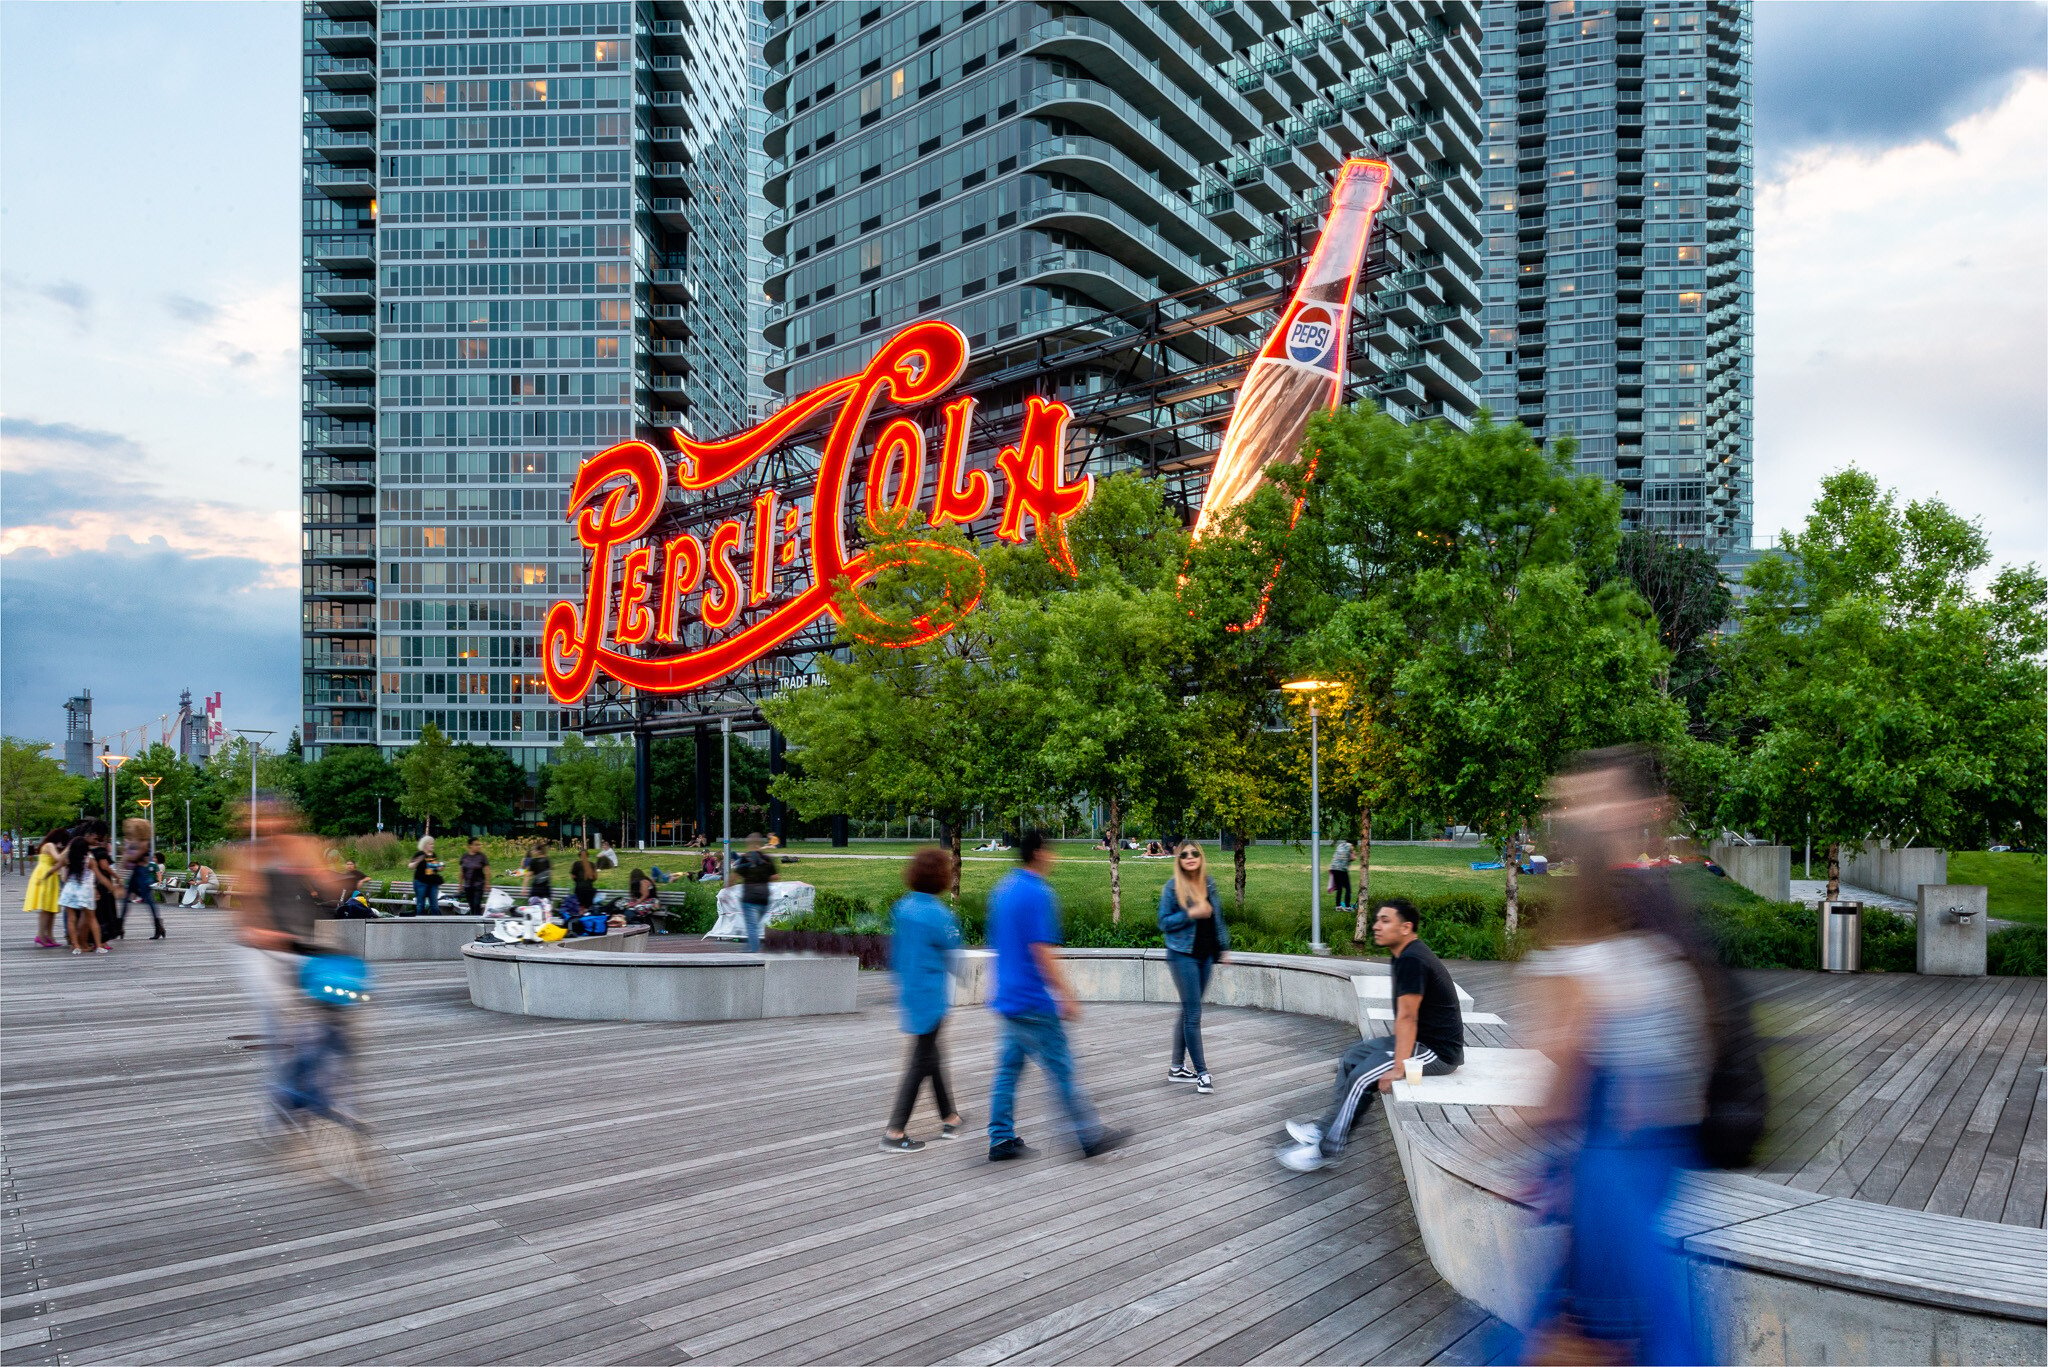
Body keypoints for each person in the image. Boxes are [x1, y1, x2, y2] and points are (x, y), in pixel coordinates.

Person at [1512, 747, 1719, 1365]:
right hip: (1626, 1152)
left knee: (1618, 1329)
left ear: (1642, 808)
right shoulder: (1631, 898)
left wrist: (1521, 1137)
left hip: (1618, 1155)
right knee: (1625, 1325)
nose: (1574, 812)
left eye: (1590, 797)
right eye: (1569, 799)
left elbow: (1571, 1054)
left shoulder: (1626, 903)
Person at [1277, 898, 1464, 1171]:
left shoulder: (1413, 960)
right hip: (1417, 1043)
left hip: (1436, 1052)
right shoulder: (1404, 955)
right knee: (1352, 1057)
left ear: (1406, 927)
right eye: (1377, 920)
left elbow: (1407, 1016)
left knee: (1362, 1076)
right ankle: (1324, 1129)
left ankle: (1327, 1150)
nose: (1376, 926)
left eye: (1385, 920)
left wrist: (1398, 1068)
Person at [984, 831, 1128, 1162]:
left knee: (1008, 1069)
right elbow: (1041, 951)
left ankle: (1000, 1138)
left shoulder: (1003, 889)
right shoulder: (1037, 893)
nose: (1054, 857)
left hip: (1008, 998)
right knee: (1061, 1068)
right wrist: (1066, 995)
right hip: (1034, 1001)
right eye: (1051, 851)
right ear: (1039, 853)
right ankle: (1088, 1134)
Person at [227, 796, 344, 1121]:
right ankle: (278, 1105)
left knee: (330, 1021)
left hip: (302, 946)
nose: (271, 825)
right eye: (262, 819)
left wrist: (323, 874)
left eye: (276, 818)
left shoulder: (301, 847)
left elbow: (329, 890)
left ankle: (318, 1089)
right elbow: (246, 917)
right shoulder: (250, 856)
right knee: (284, 1027)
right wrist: (266, 934)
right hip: (261, 952)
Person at [881, 847, 967, 1152]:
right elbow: (955, 950)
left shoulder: (903, 907)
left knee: (930, 1055)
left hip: (909, 991)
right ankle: (894, 1131)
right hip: (931, 996)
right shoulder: (939, 913)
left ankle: (951, 1116)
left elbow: (893, 952)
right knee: (921, 1062)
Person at [1158, 841, 1228, 1094]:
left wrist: (1223, 947)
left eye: (1194, 853)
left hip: (1205, 955)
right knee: (1193, 1014)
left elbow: (1218, 917)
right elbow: (1163, 922)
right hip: (1182, 955)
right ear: (1179, 860)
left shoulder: (1208, 883)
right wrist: (1192, 913)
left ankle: (1177, 1068)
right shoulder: (1172, 887)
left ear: (1201, 856)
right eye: (1184, 854)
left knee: (1189, 1011)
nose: (1189, 857)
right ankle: (1202, 1073)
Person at [57, 835, 110, 955]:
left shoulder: (68, 858)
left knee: (71, 919)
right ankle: (99, 946)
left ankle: (76, 946)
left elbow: (62, 874)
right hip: (86, 891)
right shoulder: (89, 860)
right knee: (92, 918)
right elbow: (97, 876)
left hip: (70, 890)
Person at [119, 818, 167, 941]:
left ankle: (158, 926)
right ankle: (120, 927)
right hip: (136, 872)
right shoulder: (134, 842)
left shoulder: (144, 843)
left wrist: (127, 853)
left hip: (142, 872)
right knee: (126, 899)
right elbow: (126, 859)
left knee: (148, 900)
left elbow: (133, 857)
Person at [23, 826, 68, 948]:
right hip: (45, 876)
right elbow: (59, 859)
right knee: (46, 909)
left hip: (51, 876)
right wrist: (68, 848)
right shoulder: (49, 845)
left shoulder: (52, 846)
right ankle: (41, 935)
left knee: (51, 909)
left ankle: (50, 936)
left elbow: (60, 862)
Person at [733, 833, 775, 952]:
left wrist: (727, 887)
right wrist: (764, 877)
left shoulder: (745, 858)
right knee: (754, 926)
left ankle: (753, 950)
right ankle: (751, 945)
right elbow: (775, 876)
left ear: (749, 844)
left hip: (750, 897)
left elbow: (734, 876)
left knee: (751, 926)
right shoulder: (767, 859)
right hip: (764, 898)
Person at [407, 837, 443, 916]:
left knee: (434, 905)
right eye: (430, 844)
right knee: (420, 905)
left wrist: (439, 867)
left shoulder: (433, 855)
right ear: (425, 845)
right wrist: (417, 861)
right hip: (421, 882)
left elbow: (433, 868)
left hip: (432, 882)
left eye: (433, 844)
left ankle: (437, 923)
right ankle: (420, 923)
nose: (432, 846)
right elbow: (410, 866)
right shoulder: (419, 854)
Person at [459, 838, 490, 917]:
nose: (479, 846)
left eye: (479, 844)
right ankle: (473, 921)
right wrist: (460, 885)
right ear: (470, 846)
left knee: (477, 904)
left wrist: (487, 883)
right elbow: (461, 871)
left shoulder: (482, 857)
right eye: (476, 845)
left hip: (478, 885)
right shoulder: (464, 857)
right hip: (468, 885)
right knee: (472, 905)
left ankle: (478, 921)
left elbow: (487, 871)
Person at [521, 841, 552, 909]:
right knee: (546, 909)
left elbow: (527, 876)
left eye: (533, 850)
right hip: (546, 889)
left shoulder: (534, 861)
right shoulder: (547, 860)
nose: (532, 852)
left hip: (536, 889)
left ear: (538, 851)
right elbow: (549, 874)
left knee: (534, 909)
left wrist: (524, 888)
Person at [1329, 836, 1354, 918]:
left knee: (1339, 888)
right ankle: (1347, 906)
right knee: (1348, 888)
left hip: (1333, 867)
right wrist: (1353, 855)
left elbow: (1340, 856)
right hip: (1341, 869)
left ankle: (1338, 906)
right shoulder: (1350, 846)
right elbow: (1353, 858)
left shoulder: (1340, 845)